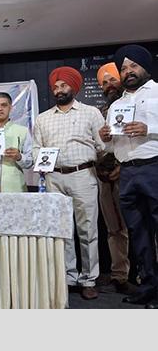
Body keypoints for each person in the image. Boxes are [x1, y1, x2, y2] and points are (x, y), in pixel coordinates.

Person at [33, 67, 105, 300]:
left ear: (73, 87)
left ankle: (89, 279)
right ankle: (68, 277)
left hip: (83, 174)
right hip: (53, 177)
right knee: (62, 229)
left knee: (88, 230)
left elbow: (103, 146)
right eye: (55, 87)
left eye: (63, 85)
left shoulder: (91, 112)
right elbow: (36, 148)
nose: (59, 90)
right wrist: (40, 161)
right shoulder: (43, 118)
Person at [99, 44, 158, 308]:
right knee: (138, 232)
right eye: (123, 68)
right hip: (128, 172)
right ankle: (149, 287)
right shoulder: (117, 105)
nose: (128, 72)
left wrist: (149, 128)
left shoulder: (157, 92)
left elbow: (148, 130)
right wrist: (106, 139)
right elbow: (113, 147)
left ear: (145, 66)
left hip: (153, 167)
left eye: (133, 66)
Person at [95, 62, 134, 294]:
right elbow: (100, 145)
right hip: (105, 177)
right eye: (104, 82)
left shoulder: (136, 105)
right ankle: (120, 275)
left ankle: (146, 275)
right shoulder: (100, 112)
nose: (109, 85)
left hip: (131, 173)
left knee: (140, 227)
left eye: (112, 80)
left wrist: (122, 166)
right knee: (114, 230)